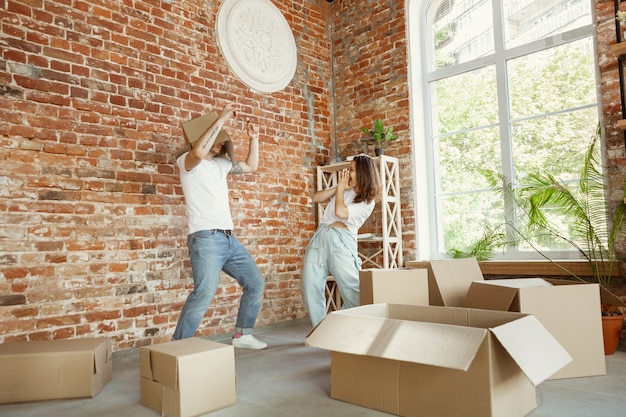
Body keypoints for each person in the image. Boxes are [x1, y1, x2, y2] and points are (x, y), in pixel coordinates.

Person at [172, 102, 267, 349]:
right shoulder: (187, 161)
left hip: (228, 239)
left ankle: (242, 335)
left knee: (255, 282)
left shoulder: (222, 165)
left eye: (223, 141)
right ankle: (178, 347)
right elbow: (197, 152)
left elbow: (251, 166)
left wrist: (253, 139)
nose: (221, 143)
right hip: (205, 238)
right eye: (217, 139)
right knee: (203, 293)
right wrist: (222, 119)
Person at [302, 154, 381, 327]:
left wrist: (340, 190)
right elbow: (316, 198)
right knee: (310, 285)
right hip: (321, 236)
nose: (347, 172)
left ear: (362, 173)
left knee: (352, 289)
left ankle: (347, 326)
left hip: (342, 241)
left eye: (351, 169)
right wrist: (340, 187)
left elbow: (340, 212)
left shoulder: (368, 201)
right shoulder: (344, 188)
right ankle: (320, 330)